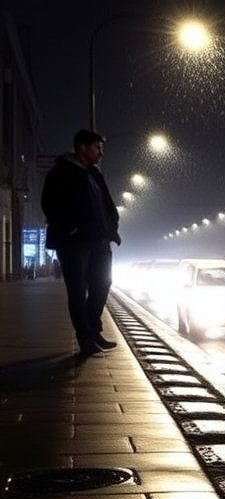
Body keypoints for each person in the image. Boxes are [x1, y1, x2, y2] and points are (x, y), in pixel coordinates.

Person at [41, 129, 122, 356]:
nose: (101, 153)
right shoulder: (60, 173)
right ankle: (85, 338)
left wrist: (112, 228)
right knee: (77, 291)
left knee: (102, 285)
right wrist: (71, 229)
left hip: (100, 242)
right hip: (74, 244)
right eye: (97, 148)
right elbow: (50, 205)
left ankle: (94, 330)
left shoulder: (95, 174)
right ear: (83, 148)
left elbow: (108, 204)